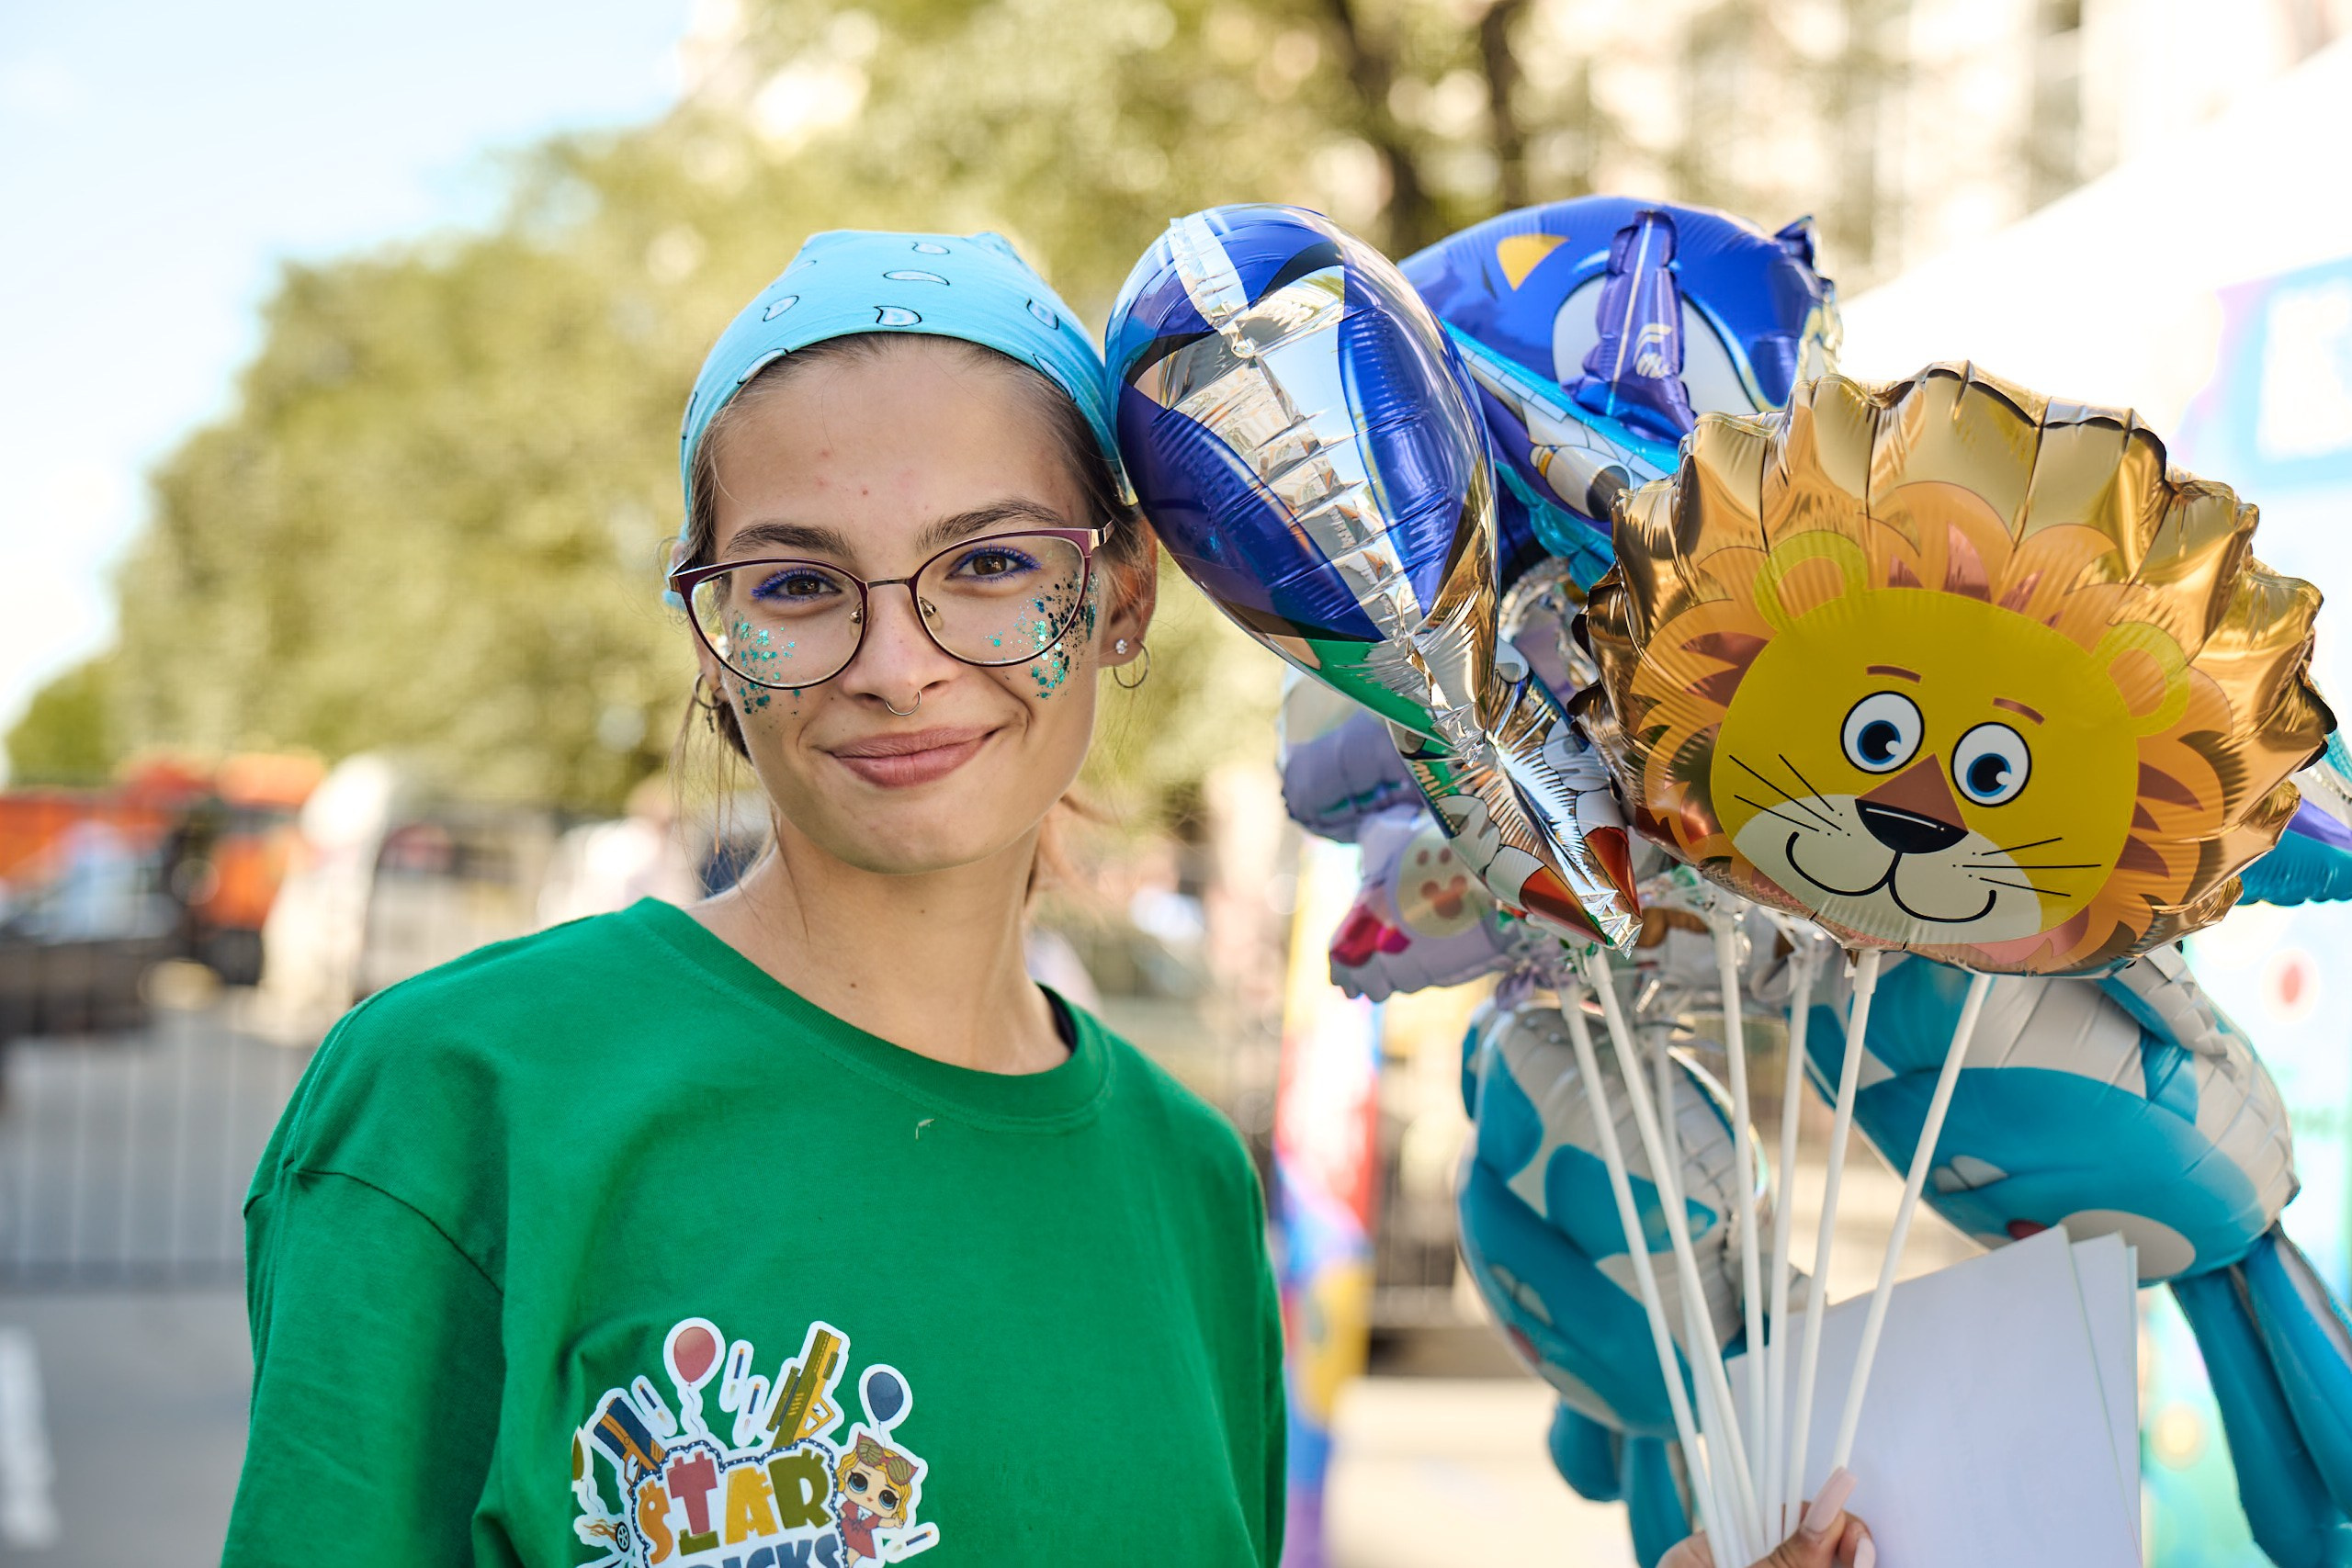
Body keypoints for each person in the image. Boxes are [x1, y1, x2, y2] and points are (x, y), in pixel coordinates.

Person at [224, 231, 1283, 1566]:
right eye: (796, 585)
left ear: (1120, 597)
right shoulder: (459, 1100)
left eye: (993, 563)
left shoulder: (1191, 1183)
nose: (898, 665)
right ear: (713, 644)